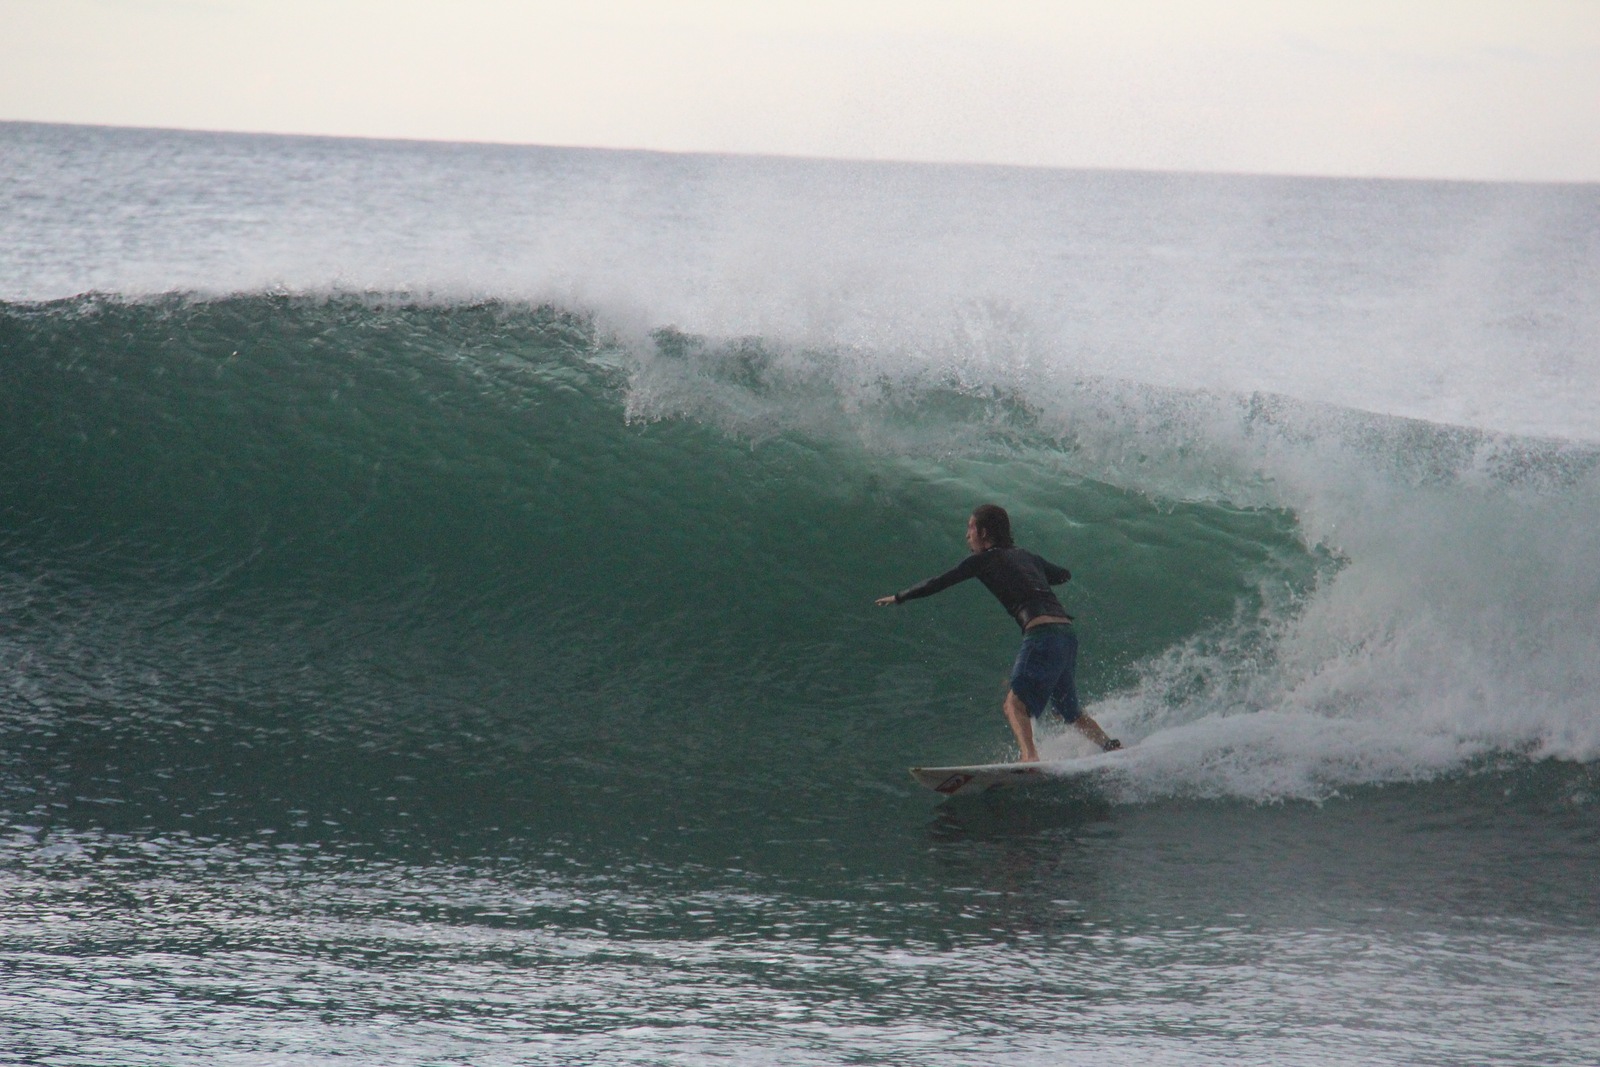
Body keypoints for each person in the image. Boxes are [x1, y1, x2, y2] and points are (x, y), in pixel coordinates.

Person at [875, 503, 1120, 763]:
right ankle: (1110, 746)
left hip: (1042, 635)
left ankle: (1029, 758)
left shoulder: (982, 561)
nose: (967, 535)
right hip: (1066, 634)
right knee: (1068, 710)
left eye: (970, 528)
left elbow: (939, 582)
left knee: (1013, 705)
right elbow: (1063, 575)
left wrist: (900, 597)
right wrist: (1030, 571)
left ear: (983, 532)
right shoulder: (1027, 556)